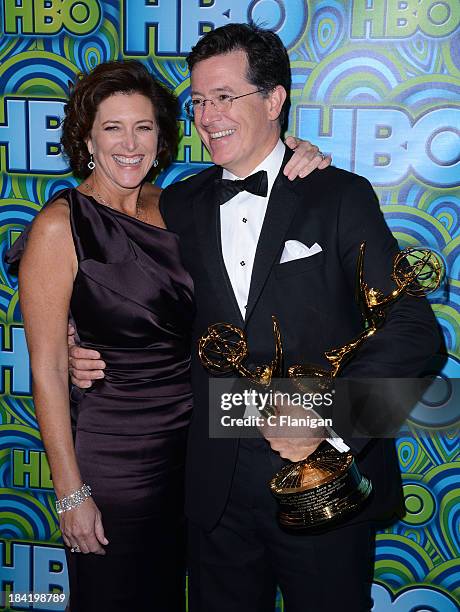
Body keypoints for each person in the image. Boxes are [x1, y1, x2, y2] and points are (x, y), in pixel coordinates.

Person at [69, 22, 440, 612]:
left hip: (325, 484)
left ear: (274, 100)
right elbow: (121, 274)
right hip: (214, 491)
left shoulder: (338, 195)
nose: (207, 114)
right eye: (198, 100)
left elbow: (417, 332)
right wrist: (78, 338)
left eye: (225, 97)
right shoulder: (179, 203)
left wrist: (327, 416)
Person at [6, 58, 329, 612]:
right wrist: (70, 493)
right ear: (86, 137)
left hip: (194, 454)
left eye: (144, 127)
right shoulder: (60, 225)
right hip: (117, 459)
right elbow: (45, 370)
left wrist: (297, 151)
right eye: (112, 128)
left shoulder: (177, 204)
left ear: (161, 138)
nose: (129, 144)